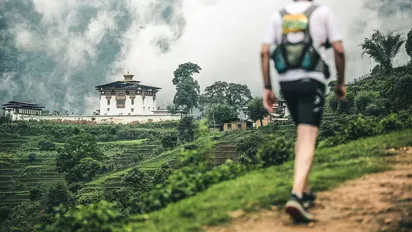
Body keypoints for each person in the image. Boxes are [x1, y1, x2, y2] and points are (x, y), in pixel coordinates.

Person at [260, 0, 346, 222]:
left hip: (286, 84)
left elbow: (264, 52)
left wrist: (268, 87)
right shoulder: (322, 13)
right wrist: (340, 83)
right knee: (308, 138)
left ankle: (305, 191)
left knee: (301, 134)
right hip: (311, 82)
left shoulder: (278, 16)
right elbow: (338, 49)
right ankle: (296, 195)